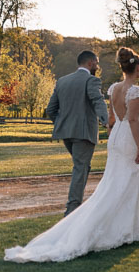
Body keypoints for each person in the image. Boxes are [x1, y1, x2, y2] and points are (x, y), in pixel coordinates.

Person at [5, 47, 139, 262]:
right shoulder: (131, 90)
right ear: (138, 67)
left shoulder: (108, 88)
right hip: (123, 138)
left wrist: (70, 125)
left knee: (114, 182)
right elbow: (126, 117)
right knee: (116, 180)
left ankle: (132, 227)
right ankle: (87, 217)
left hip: (109, 137)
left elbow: (108, 118)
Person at [46, 50, 110, 215]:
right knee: (80, 169)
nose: (97, 66)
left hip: (66, 134)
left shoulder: (62, 81)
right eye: (96, 62)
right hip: (84, 134)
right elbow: (97, 100)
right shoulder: (91, 80)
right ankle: (72, 210)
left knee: (81, 167)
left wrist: (62, 124)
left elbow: (50, 109)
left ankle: (75, 206)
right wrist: (107, 121)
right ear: (90, 63)